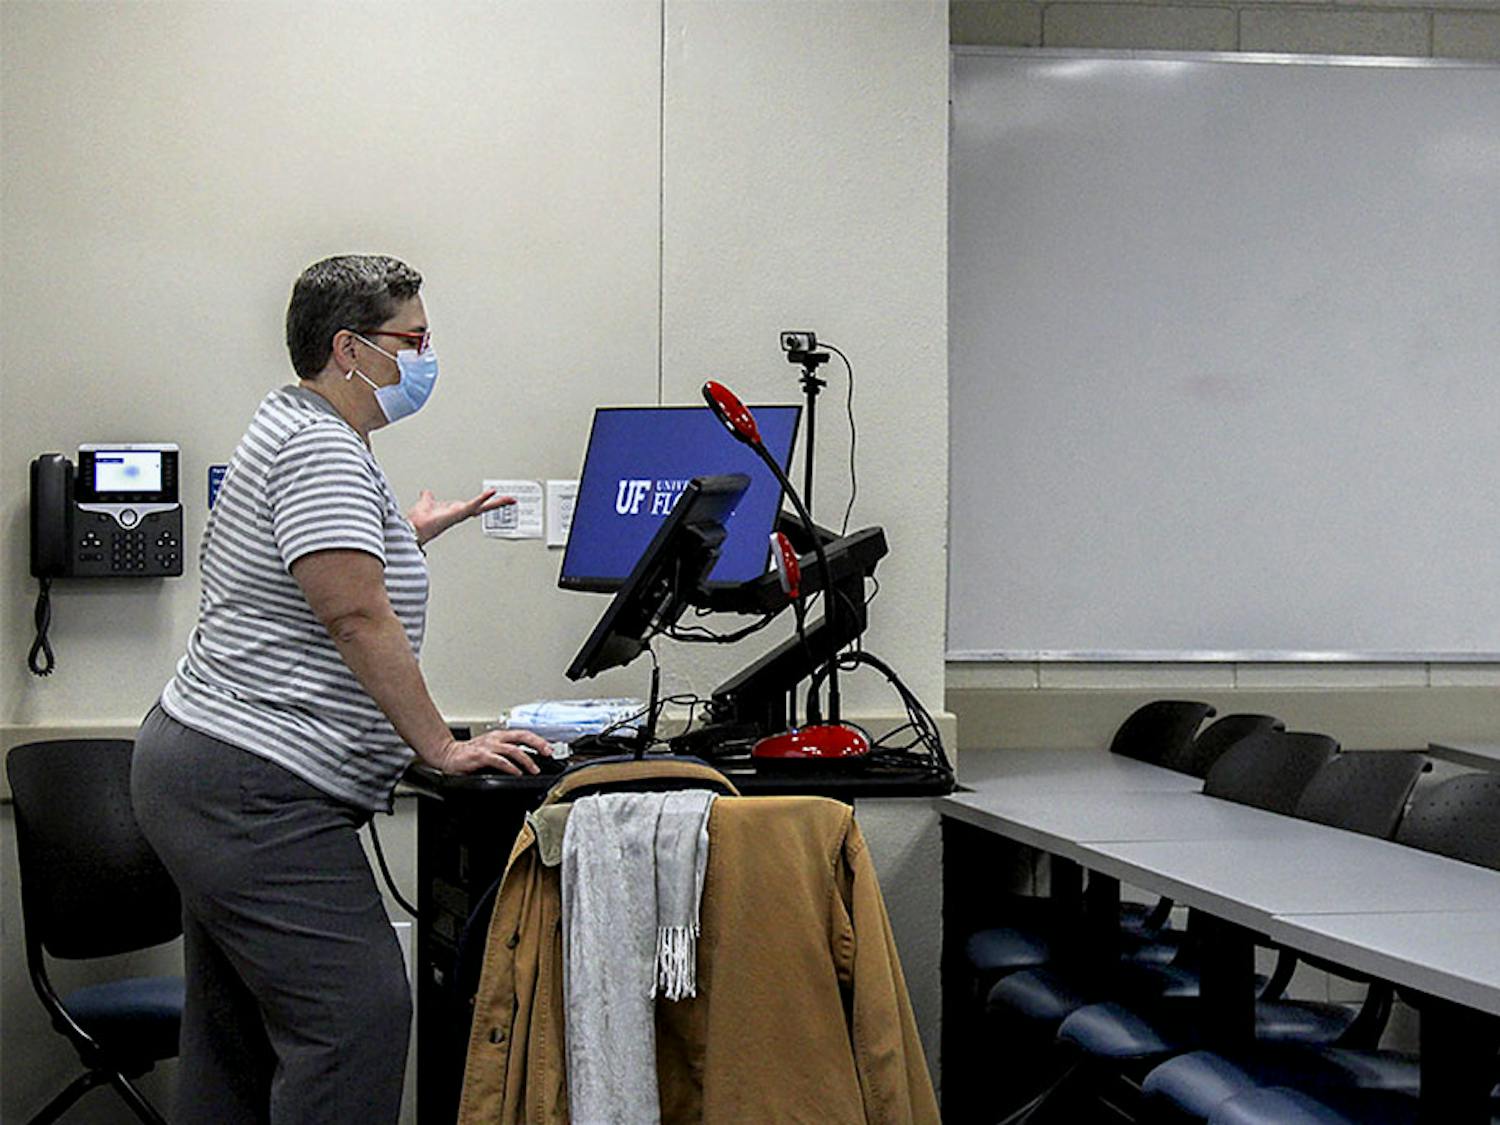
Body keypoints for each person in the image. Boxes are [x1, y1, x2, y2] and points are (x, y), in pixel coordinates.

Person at [131, 254, 551, 1123]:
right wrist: (440, 745)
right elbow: (354, 616)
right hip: (254, 787)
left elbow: (321, 583)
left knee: (238, 1040)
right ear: (349, 348)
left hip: (207, 769)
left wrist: (405, 537)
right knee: (354, 1018)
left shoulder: (298, 429)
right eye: (415, 339)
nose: (426, 357)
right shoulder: (319, 449)